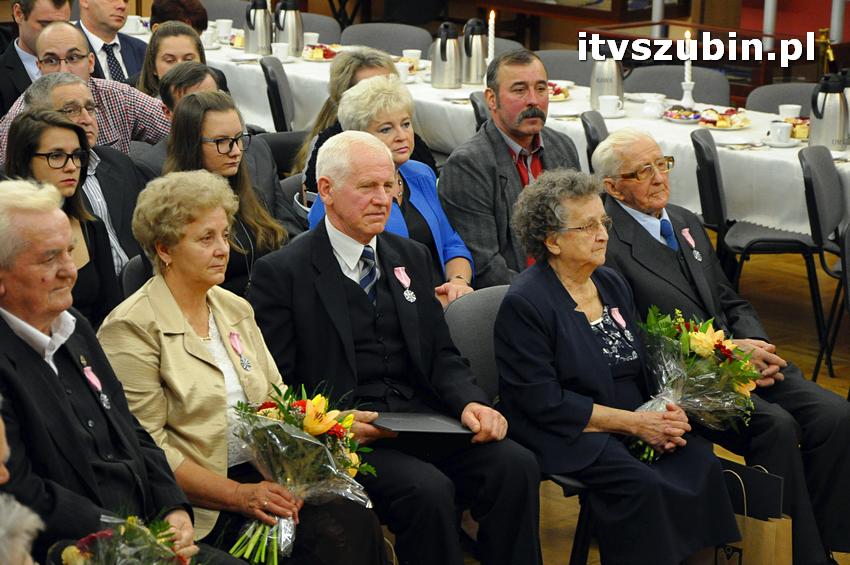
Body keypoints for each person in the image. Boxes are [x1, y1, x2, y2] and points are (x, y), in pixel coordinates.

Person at [249, 131, 542, 565]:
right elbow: (279, 384)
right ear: (326, 190)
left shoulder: (410, 256)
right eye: (367, 186)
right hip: (350, 434)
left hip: (423, 419)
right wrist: (334, 424)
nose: (382, 198)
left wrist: (471, 403)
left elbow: (441, 354)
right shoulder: (282, 273)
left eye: (390, 186)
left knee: (514, 465)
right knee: (427, 492)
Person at [97, 170, 389, 564]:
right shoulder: (131, 328)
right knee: (328, 538)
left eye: (225, 235)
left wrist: (330, 423)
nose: (223, 249)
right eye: (206, 239)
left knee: (354, 515)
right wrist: (239, 495)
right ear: (164, 249)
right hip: (199, 503)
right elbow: (148, 448)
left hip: (266, 475)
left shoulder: (234, 308)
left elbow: (276, 400)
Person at [597, 129, 850, 565]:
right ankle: (801, 557)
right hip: (685, 382)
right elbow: (643, 342)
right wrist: (730, 353)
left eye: (662, 164)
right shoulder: (609, 245)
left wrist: (758, 345)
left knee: (836, 415)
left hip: (743, 360)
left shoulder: (684, 220)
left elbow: (728, 298)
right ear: (613, 187)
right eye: (642, 171)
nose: (658, 177)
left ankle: (825, 540)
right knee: (777, 427)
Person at [494, 168, 739, 564]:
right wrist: (635, 424)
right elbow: (543, 401)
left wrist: (666, 412)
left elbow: (642, 364)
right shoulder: (527, 302)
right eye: (587, 227)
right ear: (552, 240)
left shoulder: (610, 282)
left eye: (603, 222)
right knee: (643, 486)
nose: (603, 235)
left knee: (701, 463)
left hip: (634, 415)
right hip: (571, 429)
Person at [0, 178, 221, 563]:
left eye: (70, 252)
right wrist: (128, 535)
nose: (70, 270)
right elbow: (20, 490)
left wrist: (172, 507)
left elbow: (130, 427)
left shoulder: (75, 328)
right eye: (49, 259)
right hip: (75, 549)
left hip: (146, 534)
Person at [308, 75, 473, 305]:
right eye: (386, 129)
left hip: (445, 299)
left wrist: (458, 283)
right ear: (359, 137)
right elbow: (351, 278)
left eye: (406, 124)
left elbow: (451, 243)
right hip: (389, 310)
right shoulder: (340, 193)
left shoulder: (421, 174)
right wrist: (430, 301)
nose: (402, 136)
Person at [439, 49, 581, 289]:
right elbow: (486, 265)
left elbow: (582, 229)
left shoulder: (562, 146)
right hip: (516, 295)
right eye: (519, 90)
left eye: (541, 88)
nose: (533, 100)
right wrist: (552, 296)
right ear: (491, 99)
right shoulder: (469, 165)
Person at [4, 109, 120, 328]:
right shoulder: (6, 232)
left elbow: (111, 315)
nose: (71, 166)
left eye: (77, 155)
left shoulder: (92, 227)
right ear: (25, 161)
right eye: (56, 156)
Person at [164, 90, 286, 296]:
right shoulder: (175, 211)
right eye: (221, 141)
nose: (236, 151)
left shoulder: (251, 194)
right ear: (191, 145)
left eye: (238, 138)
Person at [23, 72, 144, 274]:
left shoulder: (118, 162)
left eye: (90, 108)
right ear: (38, 120)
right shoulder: (25, 186)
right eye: (70, 110)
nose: (86, 119)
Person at [0, 21, 171, 163]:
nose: (64, 70)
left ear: (90, 62)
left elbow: (179, 129)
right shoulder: (21, 117)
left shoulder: (119, 96)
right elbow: (10, 183)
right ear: (39, 67)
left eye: (73, 58)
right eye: (51, 60)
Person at [296, 47, 438, 191]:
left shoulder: (412, 148)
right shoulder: (330, 150)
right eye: (369, 88)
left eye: (388, 83)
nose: (385, 93)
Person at [0, 0, 71, 116]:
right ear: (19, 13)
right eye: (45, 25)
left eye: (62, 26)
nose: (55, 34)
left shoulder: (82, 66)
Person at [132, 21, 227, 97]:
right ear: (153, 66)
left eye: (188, 60)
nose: (180, 67)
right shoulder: (133, 94)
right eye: (170, 60)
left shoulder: (215, 82)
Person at [76, 0, 147, 83]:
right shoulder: (66, 49)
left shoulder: (143, 51)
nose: (122, 6)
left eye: (126, 0)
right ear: (85, 1)